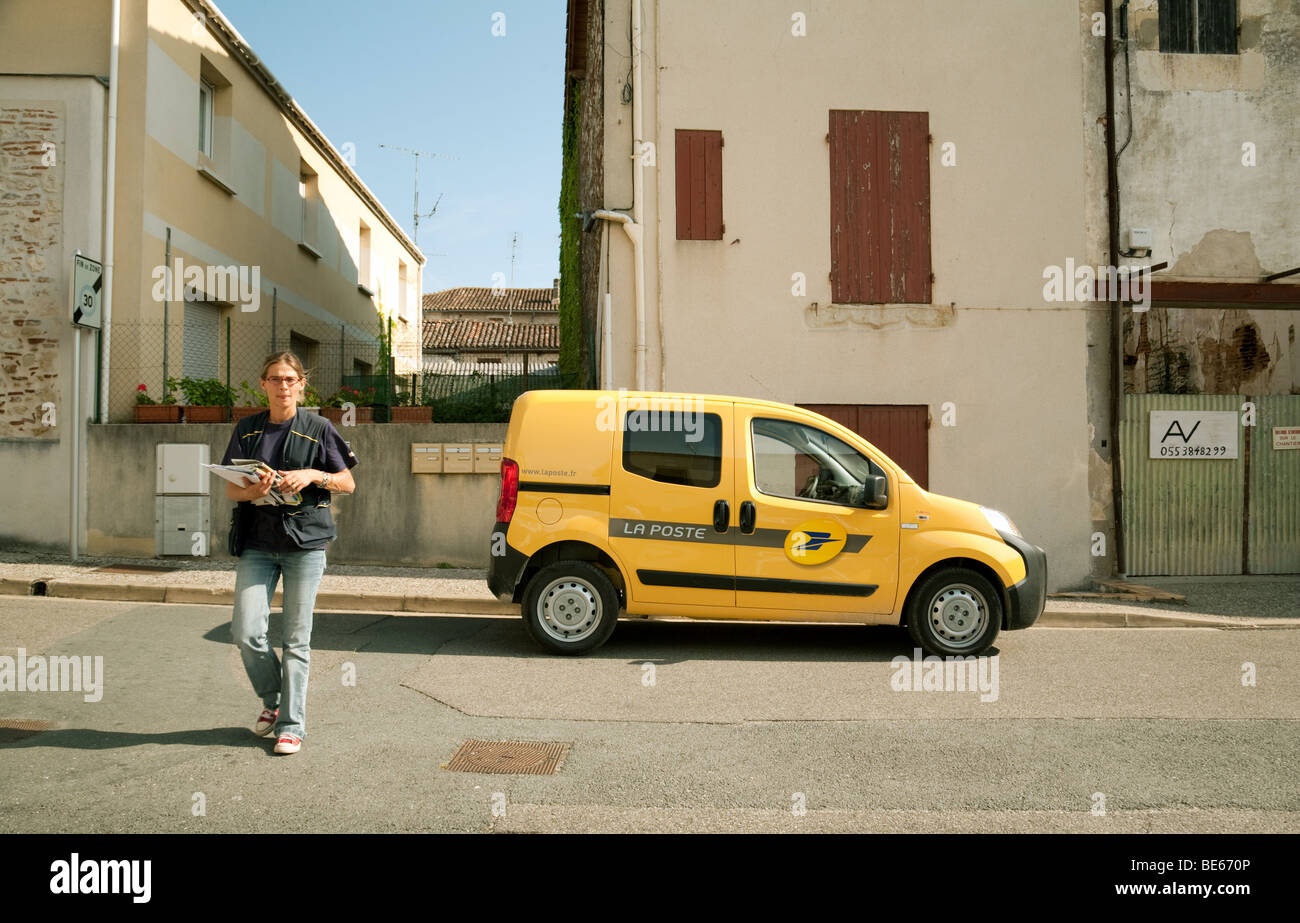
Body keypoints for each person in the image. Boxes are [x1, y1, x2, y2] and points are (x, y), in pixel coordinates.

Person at [221, 352, 358, 755]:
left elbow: (347, 483)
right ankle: (274, 700)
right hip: (258, 545)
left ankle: (292, 726)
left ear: (301, 385)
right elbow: (232, 488)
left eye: (289, 379)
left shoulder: (319, 428)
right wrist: (253, 491)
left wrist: (314, 474)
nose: (283, 386)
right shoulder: (247, 430)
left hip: (305, 545)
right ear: (263, 384)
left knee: (296, 640)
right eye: (275, 379)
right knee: (246, 632)